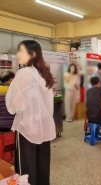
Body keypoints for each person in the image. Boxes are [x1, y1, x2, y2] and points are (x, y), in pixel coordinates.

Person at [6, 40, 56, 185]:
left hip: (27, 127)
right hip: (44, 127)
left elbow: (15, 105)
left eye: (21, 51)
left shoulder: (24, 73)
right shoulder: (44, 73)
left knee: (26, 169)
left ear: (32, 54)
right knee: (42, 165)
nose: (18, 54)